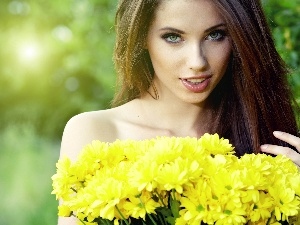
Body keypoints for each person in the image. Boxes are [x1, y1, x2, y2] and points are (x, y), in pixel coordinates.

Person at [57, 0, 300, 224]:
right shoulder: (95, 133)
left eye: (215, 35)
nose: (197, 61)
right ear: (141, 37)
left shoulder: (262, 135)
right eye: (173, 37)